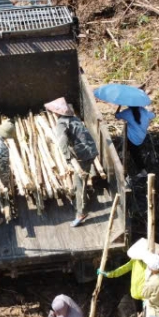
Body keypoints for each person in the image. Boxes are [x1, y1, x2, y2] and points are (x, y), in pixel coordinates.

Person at [45, 97, 99, 227]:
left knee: (80, 183)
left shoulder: (61, 124)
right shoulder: (74, 119)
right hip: (91, 151)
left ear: (57, 113)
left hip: (82, 156)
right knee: (80, 179)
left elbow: (62, 145)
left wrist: (71, 161)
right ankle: (80, 202)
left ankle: (81, 213)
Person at [99, 237, 159, 315]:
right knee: (138, 313)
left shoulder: (152, 263)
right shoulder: (134, 261)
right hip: (135, 293)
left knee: (147, 315)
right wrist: (108, 274)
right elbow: (122, 269)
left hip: (146, 295)